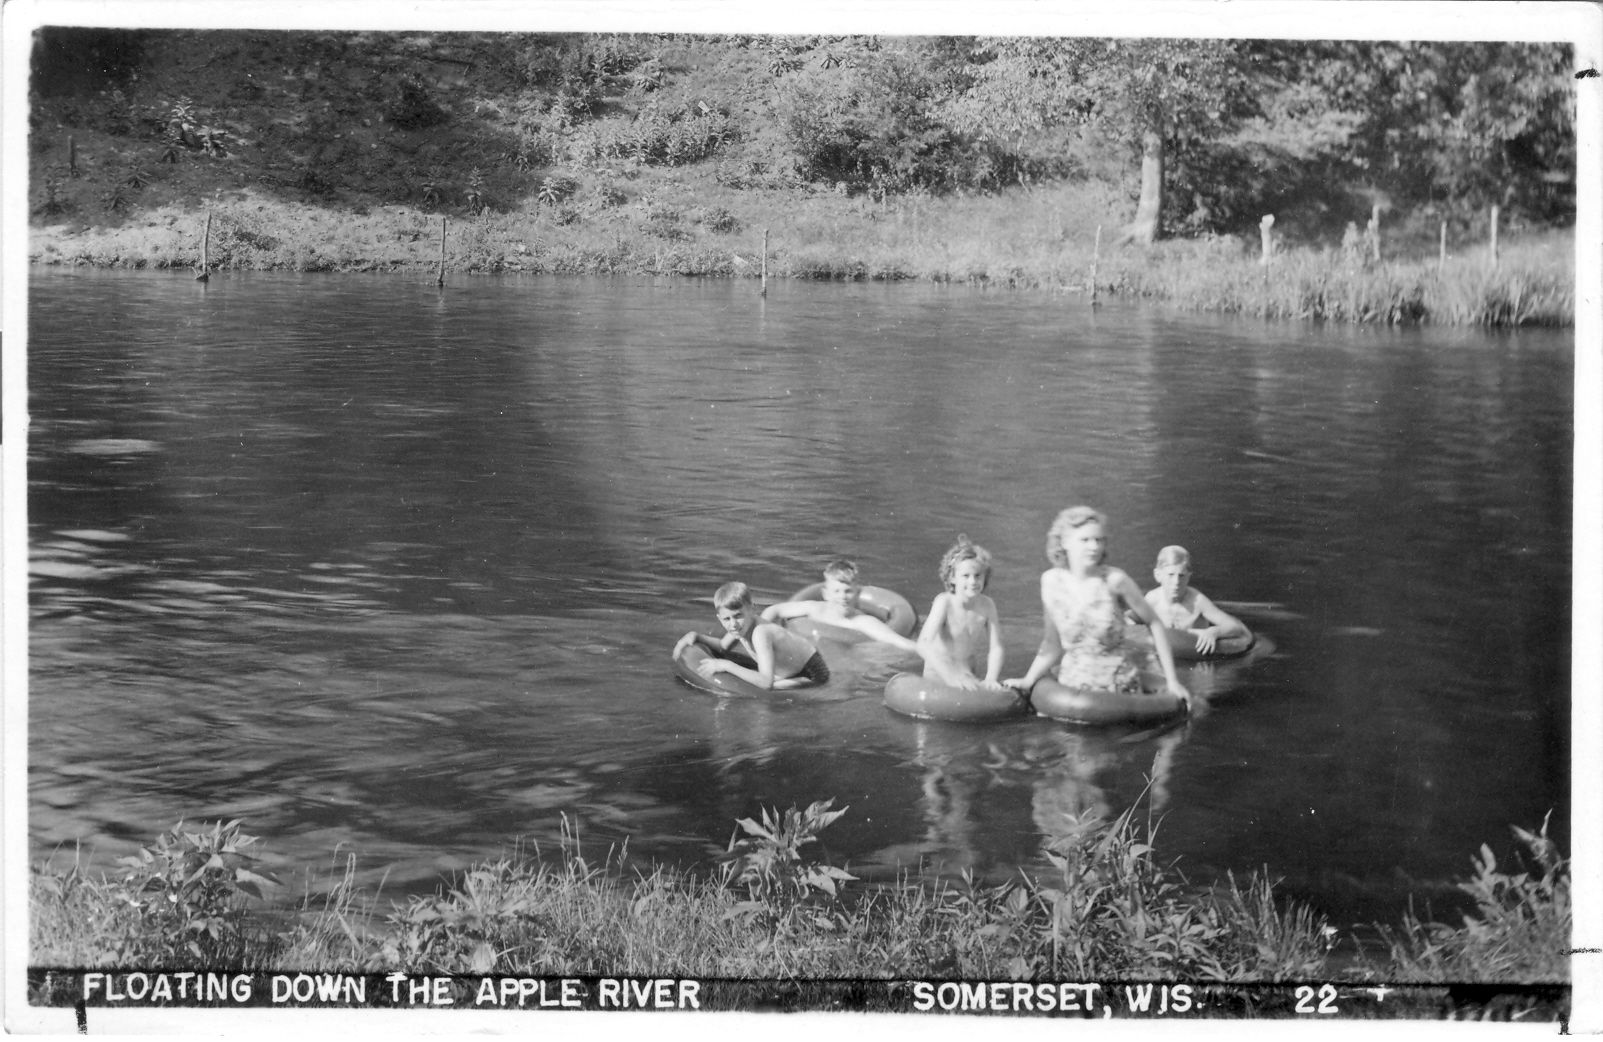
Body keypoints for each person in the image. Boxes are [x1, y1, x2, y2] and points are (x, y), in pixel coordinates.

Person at [1004, 506, 1190, 707]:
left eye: (1099, 540)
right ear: (1065, 542)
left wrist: (1172, 681)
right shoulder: (1050, 582)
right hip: (1073, 687)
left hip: (1118, 689)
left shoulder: (1115, 580)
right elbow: (1051, 643)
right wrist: (1028, 681)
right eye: (1085, 540)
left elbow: (1154, 622)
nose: (1094, 547)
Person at [673, 582, 830, 690]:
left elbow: (766, 683)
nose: (733, 624)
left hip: (812, 674)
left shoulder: (760, 633)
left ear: (752, 610)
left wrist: (726, 665)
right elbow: (722, 646)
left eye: (738, 615)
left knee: (767, 687)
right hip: (791, 670)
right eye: (727, 619)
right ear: (720, 619)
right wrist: (697, 636)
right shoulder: (739, 627)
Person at [761, 559, 920, 652]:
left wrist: (925, 650)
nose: (842, 597)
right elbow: (774, 609)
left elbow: (892, 639)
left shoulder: (861, 622)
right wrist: (761, 633)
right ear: (825, 593)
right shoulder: (814, 609)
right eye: (836, 591)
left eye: (848, 591)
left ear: (857, 593)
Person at [917, 535, 1008, 692]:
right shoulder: (944, 602)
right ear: (952, 578)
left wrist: (991, 678)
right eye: (966, 576)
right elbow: (923, 644)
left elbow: (996, 647)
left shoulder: (987, 605)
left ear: (985, 577)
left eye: (978, 575)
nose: (973, 582)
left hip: (967, 675)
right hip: (939, 675)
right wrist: (950, 678)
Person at [1144, 545, 1249, 656]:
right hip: (1167, 655)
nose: (1176, 582)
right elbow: (1130, 622)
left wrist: (1214, 632)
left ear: (1189, 576)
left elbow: (1235, 626)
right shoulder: (1152, 599)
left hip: (1199, 656)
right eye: (1170, 575)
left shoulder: (1198, 601)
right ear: (1158, 575)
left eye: (1182, 575)